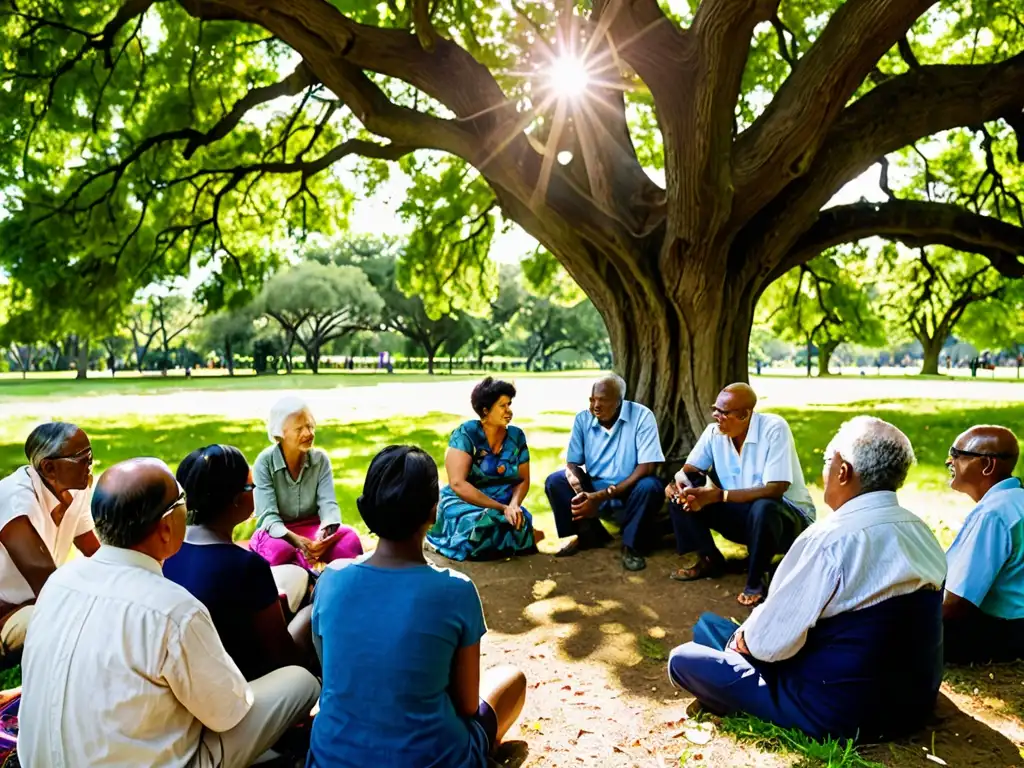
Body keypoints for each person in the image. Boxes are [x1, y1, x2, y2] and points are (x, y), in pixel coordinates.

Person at [18, 457, 321, 767]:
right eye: (181, 500)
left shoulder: (60, 581)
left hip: (40, 759)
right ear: (165, 528)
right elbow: (228, 713)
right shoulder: (172, 609)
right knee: (300, 681)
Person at [667, 417, 946, 741]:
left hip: (837, 711)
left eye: (829, 461)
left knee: (684, 659)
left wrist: (741, 643)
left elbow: (768, 645)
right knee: (709, 626)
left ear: (843, 472)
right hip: (913, 701)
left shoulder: (829, 540)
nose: (823, 472)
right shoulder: (921, 532)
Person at [309, 445, 527, 768]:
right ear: (434, 511)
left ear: (367, 506)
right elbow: (467, 705)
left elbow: (332, 676)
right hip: (434, 757)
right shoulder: (456, 590)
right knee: (513, 680)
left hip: (332, 758)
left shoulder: (331, 579)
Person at [163, 445, 318, 680]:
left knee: (292, 575)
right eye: (251, 486)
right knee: (304, 679)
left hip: (186, 676)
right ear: (237, 499)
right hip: (237, 687)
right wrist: (311, 613)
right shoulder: (246, 566)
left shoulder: (167, 552)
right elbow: (285, 657)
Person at [667, 383, 815, 606]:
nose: (716, 416)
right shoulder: (714, 432)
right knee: (686, 489)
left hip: (787, 522)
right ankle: (709, 558)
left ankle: (757, 579)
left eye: (723, 412)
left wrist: (719, 496)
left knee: (764, 505)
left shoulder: (774, 428)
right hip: (745, 519)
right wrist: (676, 484)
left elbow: (776, 488)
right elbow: (689, 470)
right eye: (714, 409)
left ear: (745, 414)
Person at [544, 375, 665, 571]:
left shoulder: (642, 416)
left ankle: (631, 545)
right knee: (555, 481)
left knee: (650, 485)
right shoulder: (583, 419)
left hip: (630, 487)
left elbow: (646, 467)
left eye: (603, 400)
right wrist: (581, 491)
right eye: (592, 400)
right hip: (594, 485)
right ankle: (589, 535)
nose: (595, 406)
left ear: (619, 402)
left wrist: (603, 495)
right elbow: (573, 463)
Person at [0, 422, 99, 662]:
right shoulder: (16, 503)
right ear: (49, 468)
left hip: (34, 602)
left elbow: (95, 552)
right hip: (7, 612)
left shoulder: (75, 487)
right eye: (81, 458)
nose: (90, 465)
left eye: (90, 456)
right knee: (75, 619)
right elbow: (48, 585)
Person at [427, 378, 542, 561]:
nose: (509, 411)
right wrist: (501, 507)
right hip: (464, 499)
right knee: (481, 524)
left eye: (509, 404)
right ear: (486, 410)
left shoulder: (516, 436)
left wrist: (513, 505)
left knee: (520, 519)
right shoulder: (465, 434)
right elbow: (457, 483)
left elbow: (522, 480)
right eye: (502, 406)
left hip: (504, 500)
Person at [251, 396, 363, 568]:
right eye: (299, 429)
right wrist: (296, 541)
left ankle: (324, 578)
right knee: (279, 550)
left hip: (313, 528)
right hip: (279, 533)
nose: (308, 433)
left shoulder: (320, 460)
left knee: (349, 538)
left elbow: (328, 504)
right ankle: (305, 580)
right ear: (280, 434)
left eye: (310, 426)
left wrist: (324, 535)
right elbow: (268, 517)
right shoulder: (264, 462)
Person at [943, 425, 1024, 663]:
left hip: (1006, 633)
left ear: (987, 465)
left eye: (956, 454)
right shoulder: (1016, 500)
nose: (950, 462)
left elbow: (955, 604)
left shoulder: (993, 514)